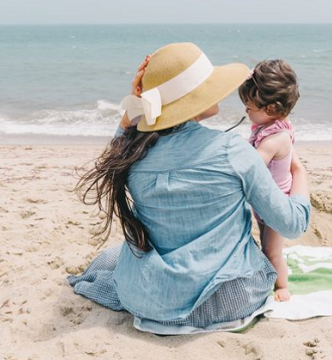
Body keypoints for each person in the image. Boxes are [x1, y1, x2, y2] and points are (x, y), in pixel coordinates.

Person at [68, 42, 311, 331]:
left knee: (114, 257)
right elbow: (292, 224)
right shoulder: (232, 151)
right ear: (192, 99)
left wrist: (133, 109)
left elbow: (117, 149)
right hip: (228, 299)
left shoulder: (131, 154)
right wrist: (299, 171)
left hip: (149, 296)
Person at [238, 59, 300, 302]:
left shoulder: (275, 139)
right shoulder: (272, 126)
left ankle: (282, 286)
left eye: (250, 107)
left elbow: (252, 164)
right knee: (266, 242)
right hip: (265, 203)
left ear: (271, 109)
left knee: (272, 250)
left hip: (275, 205)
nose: (246, 112)